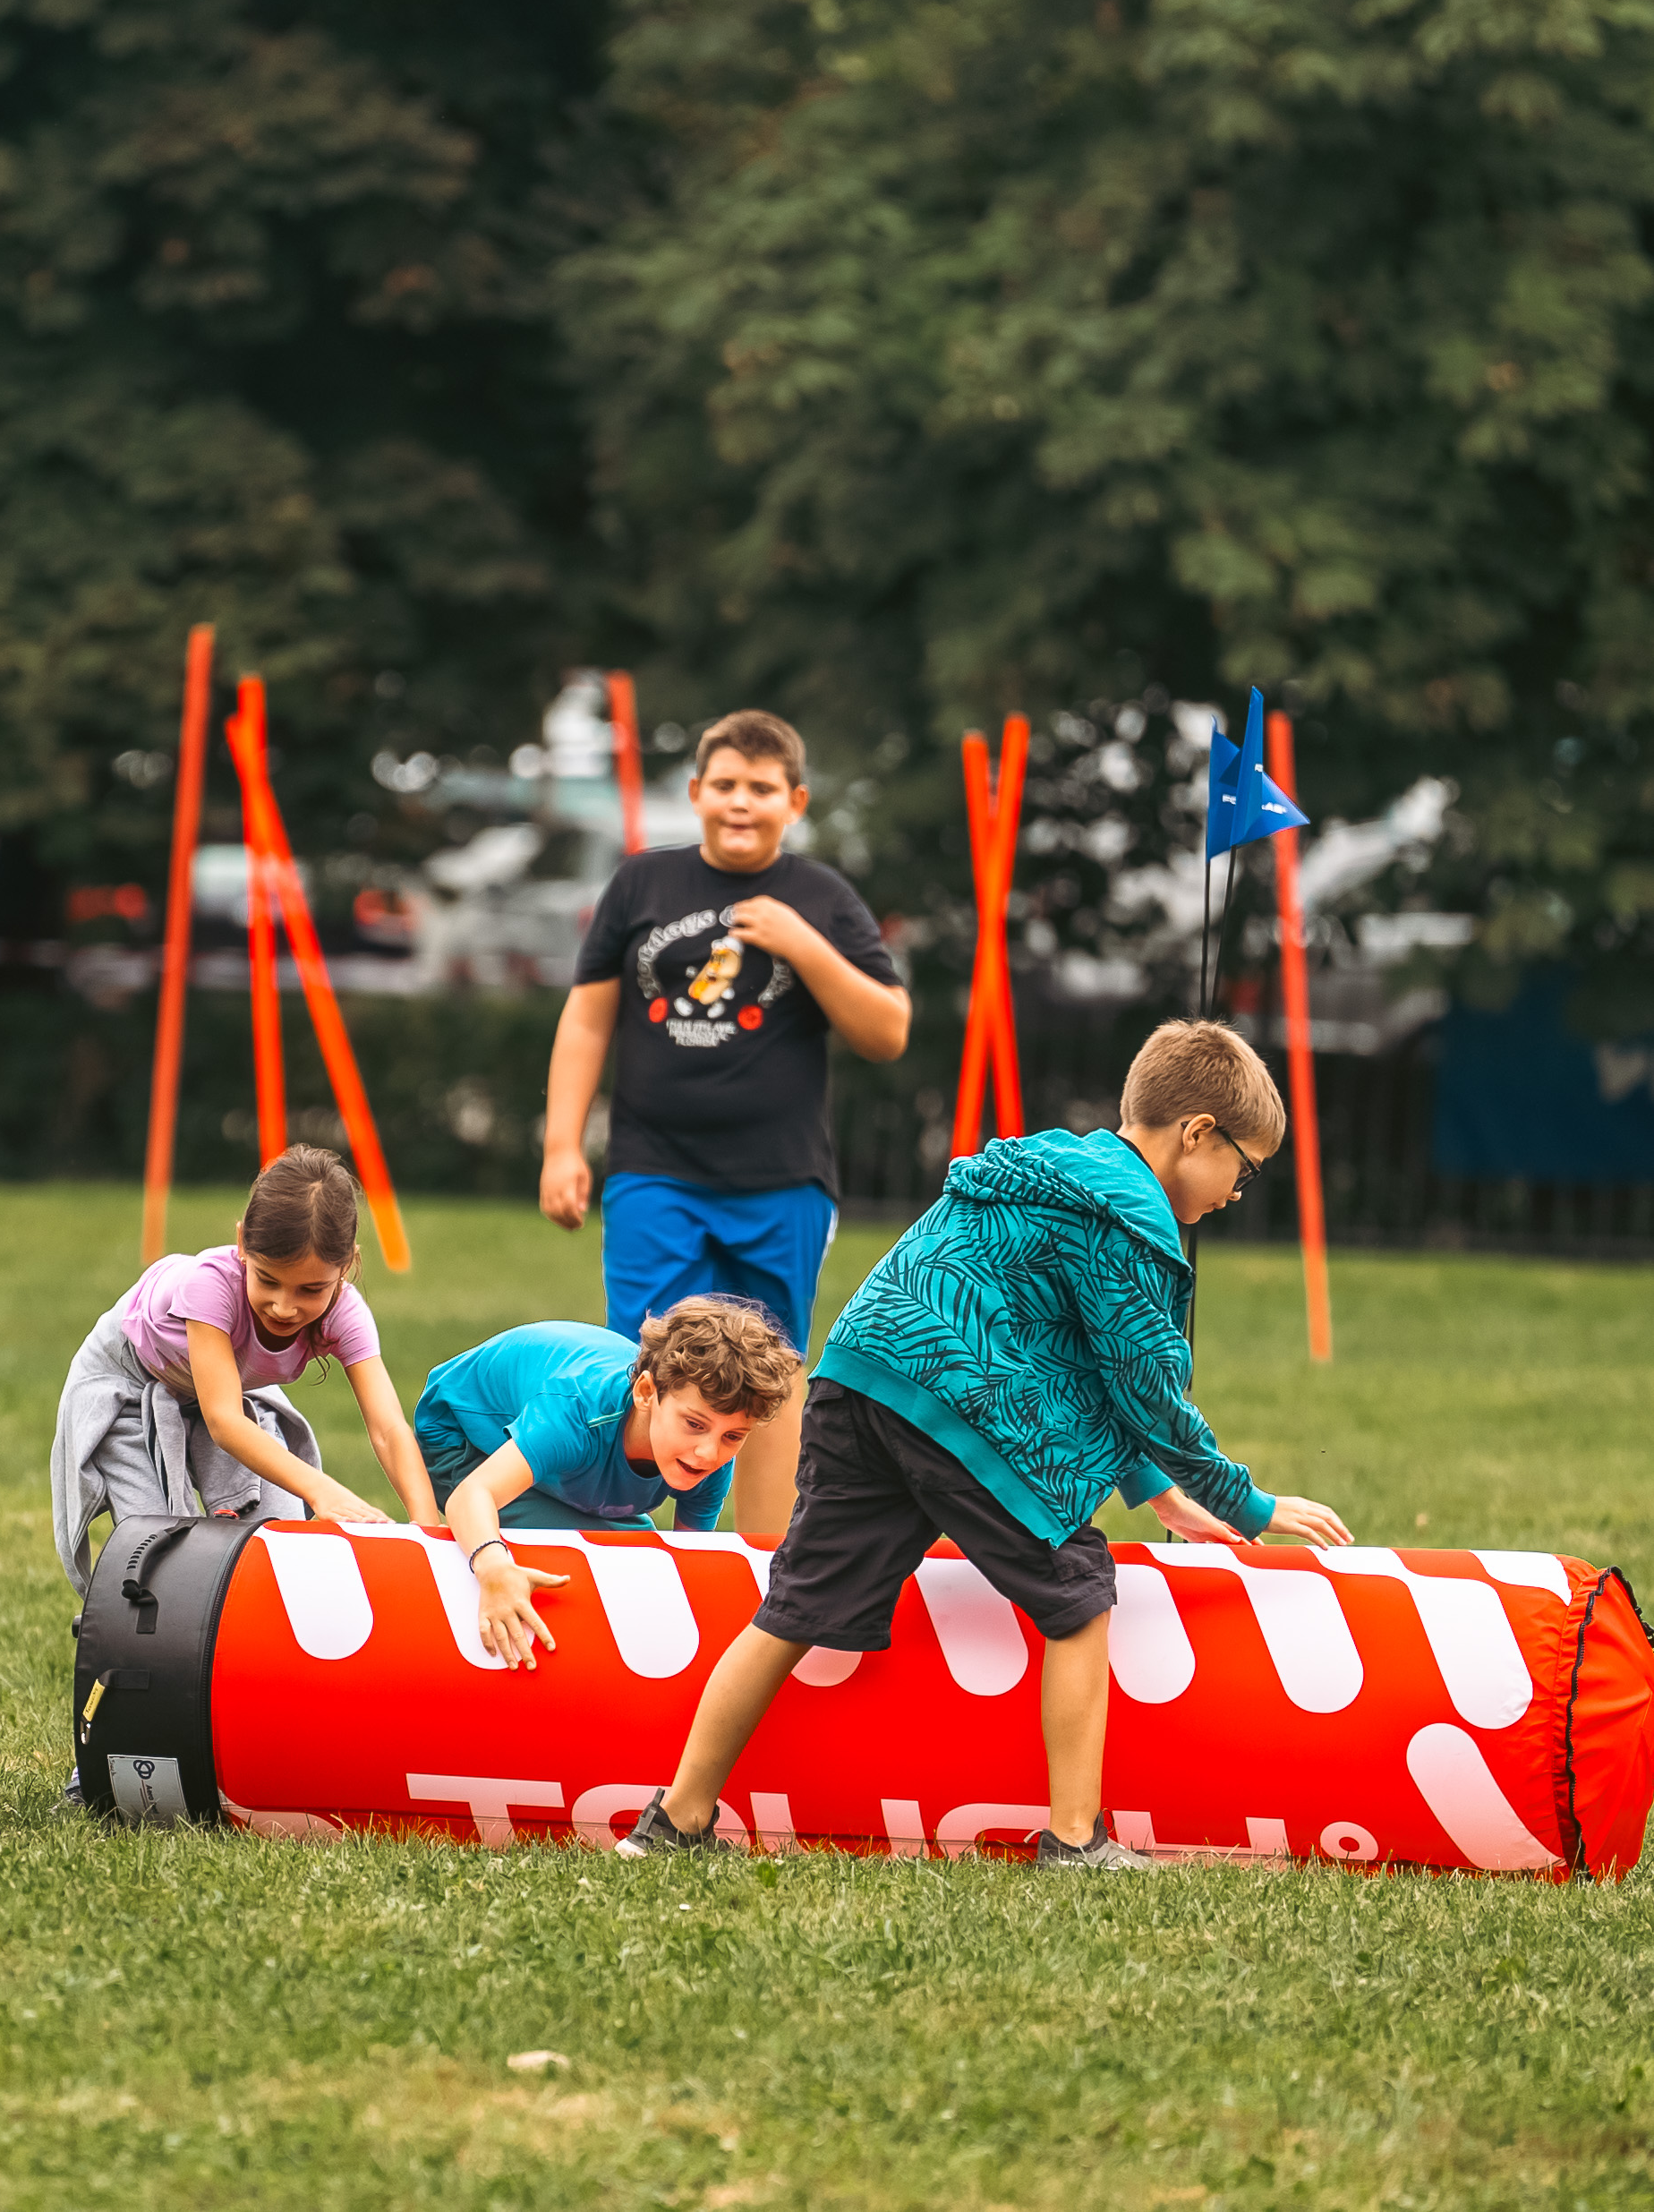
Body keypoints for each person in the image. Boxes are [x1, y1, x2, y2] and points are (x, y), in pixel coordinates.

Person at [616, 1019, 1352, 1869]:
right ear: (1196, 1134)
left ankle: (674, 1820)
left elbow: (1081, 1362)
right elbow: (1146, 1384)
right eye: (1244, 1169)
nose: (1234, 1192)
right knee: (1077, 1589)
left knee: (791, 1608)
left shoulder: (1045, 1168)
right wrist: (1244, 1501)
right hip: (956, 1394)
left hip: (858, 1380)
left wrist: (1155, 1492)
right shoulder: (1127, 1216)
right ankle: (1075, 1840)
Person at [538, 708, 910, 1536]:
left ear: (796, 801)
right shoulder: (641, 884)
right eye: (728, 786)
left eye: (763, 789)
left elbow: (886, 1032)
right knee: (644, 1358)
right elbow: (587, 1020)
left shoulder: (819, 898)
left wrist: (805, 946)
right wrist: (564, 1144)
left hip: (782, 1184)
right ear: (698, 791)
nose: (743, 803)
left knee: (768, 1377)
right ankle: (619, 1538)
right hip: (652, 1170)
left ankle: (763, 1560)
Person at [51, 1145, 439, 1594]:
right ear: (242, 1244)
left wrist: (426, 1532)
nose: (284, 1306)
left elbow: (389, 1429)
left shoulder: (346, 1315)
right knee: (155, 1545)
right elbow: (225, 1423)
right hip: (131, 1385)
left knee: (280, 1532)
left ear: (346, 1264)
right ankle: (140, 1650)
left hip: (223, 1391)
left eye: (311, 1289)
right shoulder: (209, 1284)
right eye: (267, 1280)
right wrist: (323, 1490)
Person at [416, 1298, 801, 1669]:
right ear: (647, 1392)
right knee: (598, 1567)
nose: (707, 1453)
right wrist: (493, 1568)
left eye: (734, 1436)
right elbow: (472, 1495)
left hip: (557, 1467)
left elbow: (690, 1564)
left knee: (642, 1561)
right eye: (694, 1424)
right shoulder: (576, 1418)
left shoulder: (711, 1459)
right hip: (465, 1440)